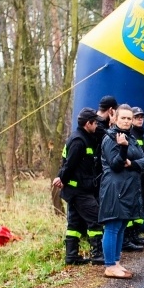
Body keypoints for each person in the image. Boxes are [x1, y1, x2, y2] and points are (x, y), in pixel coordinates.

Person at [98, 104, 144, 279]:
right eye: (124, 118)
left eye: (129, 118)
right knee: (112, 226)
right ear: (115, 118)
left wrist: (132, 163)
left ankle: (116, 261)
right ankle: (109, 265)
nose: (127, 121)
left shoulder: (131, 138)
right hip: (115, 188)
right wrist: (123, 149)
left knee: (121, 226)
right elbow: (115, 164)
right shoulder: (110, 138)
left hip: (129, 189)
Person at [52, 107, 104, 265]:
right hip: (78, 190)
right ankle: (97, 254)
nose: (96, 126)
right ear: (87, 124)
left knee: (74, 224)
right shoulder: (78, 141)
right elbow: (69, 165)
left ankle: (71, 256)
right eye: (95, 123)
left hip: (79, 189)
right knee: (95, 218)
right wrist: (61, 177)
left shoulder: (86, 137)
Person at [125, 106, 144, 250]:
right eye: (137, 117)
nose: (140, 119)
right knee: (133, 207)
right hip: (133, 176)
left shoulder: (141, 135)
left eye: (142, 117)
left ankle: (135, 235)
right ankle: (128, 237)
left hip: (141, 177)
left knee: (141, 207)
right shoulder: (131, 135)